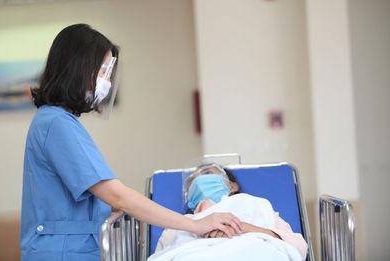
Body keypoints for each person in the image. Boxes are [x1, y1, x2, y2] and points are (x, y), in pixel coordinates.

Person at [20, 24, 242, 261]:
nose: (105, 82)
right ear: (78, 68)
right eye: (102, 71)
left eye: (108, 73)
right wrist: (196, 224)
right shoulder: (57, 124)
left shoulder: (55, 121)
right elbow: (118, 196)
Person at [150, 163, 308, 261]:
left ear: (232, 186)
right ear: (190, 198)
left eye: (206, 174)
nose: (199, 181)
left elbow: (298, 247)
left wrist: (243, 228)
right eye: (192, 182)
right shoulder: (179, 223)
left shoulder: (254, 205)